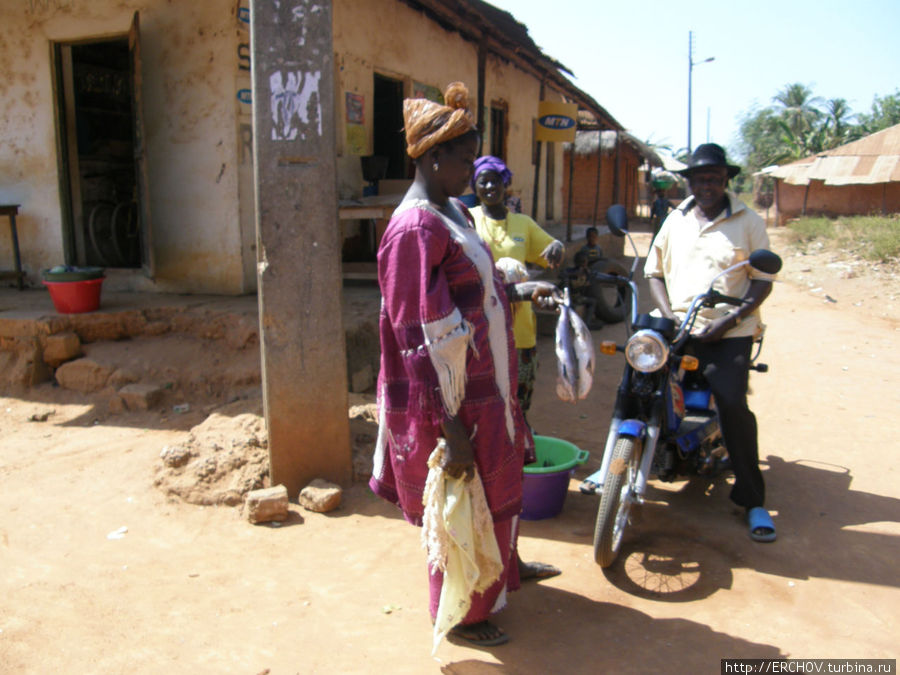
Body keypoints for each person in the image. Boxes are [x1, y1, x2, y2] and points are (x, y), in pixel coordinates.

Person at [370, 82, 560, 648]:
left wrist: (522, 293)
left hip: (484, 386)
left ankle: (505, 570)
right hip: (452, 401)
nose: (474, 170)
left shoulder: (451, 210)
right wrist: (447, 429)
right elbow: (411, 337)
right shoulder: (414, 230)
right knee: (460, 507)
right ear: (433, 158)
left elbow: (478, 287)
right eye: (465, 157)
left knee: (496, 488)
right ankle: (463, 614)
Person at [643, 143, 778, 543]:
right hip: (680, 328)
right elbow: (654, 273)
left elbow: (761, 280)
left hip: (728, 332)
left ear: (725, 181)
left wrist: (730, 321)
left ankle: (753, 499)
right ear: (690, 181)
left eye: (715, 179)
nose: (708, 185)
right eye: (701, 178)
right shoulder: (675, 220)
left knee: (733, 402)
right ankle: (618, 467)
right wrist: (666, 316)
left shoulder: (747, 221)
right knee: (640, 383)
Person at [469, 156, 565, 420]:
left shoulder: (523, 223)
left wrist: (558, 245)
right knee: (483, 403)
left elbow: (549, 249)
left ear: (505, 184)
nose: (490, 186)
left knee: (519, 401)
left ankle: (518, 451)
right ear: (474, 187)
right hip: (480, 328)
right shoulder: (468, 220)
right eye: (483, 181)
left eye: (495, 180)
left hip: (519, 328)